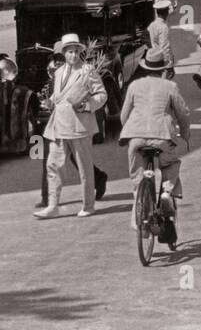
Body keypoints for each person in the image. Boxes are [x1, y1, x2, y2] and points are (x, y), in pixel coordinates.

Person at [119, 46, 191, 245]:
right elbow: (183, 113)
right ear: (163, 69)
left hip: (135, 137)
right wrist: (185, 135)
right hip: (162, 137)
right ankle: (167, 191)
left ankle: (141, 218)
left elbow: (124, 115)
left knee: (137, 179)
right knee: (170, 164)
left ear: (144, 66)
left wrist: (131, 132)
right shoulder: (170, 86)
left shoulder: (134, 86)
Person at [35, 34, 108, 219]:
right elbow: (58, 96)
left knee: (84, 168)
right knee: (53, 165)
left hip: (79, 126)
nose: (73, 55)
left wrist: (88, 105)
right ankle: (52, 205)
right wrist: (50, 102)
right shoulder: (59, 72)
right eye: (70, 52)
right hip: (59, 126)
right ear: (63, 54)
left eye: (76, 52)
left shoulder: (87, 71)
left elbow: (101, 94)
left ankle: (88, 205)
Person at [147, 0, 174, 79]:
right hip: (162, 61)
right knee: (163, 84)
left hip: (153, 58)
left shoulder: (152, 25)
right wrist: (169, 65)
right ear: (166, 13)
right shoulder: (163, 27)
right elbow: (165, 46)